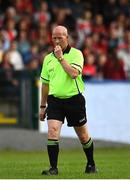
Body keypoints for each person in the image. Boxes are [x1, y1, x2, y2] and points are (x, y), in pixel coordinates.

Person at [39, 25, 97, 175]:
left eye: (60, 37)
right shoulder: (47, 59)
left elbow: (73, 74)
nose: (57, 40)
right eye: (54, 38)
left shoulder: (77, 54)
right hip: (55, 100)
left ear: (67, 37)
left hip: (74, 99)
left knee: (83, 135)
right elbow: (45, 84)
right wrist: (42, 106)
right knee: (52, 131)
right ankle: (53, 169)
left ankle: (91, 164)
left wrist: (60, 58)